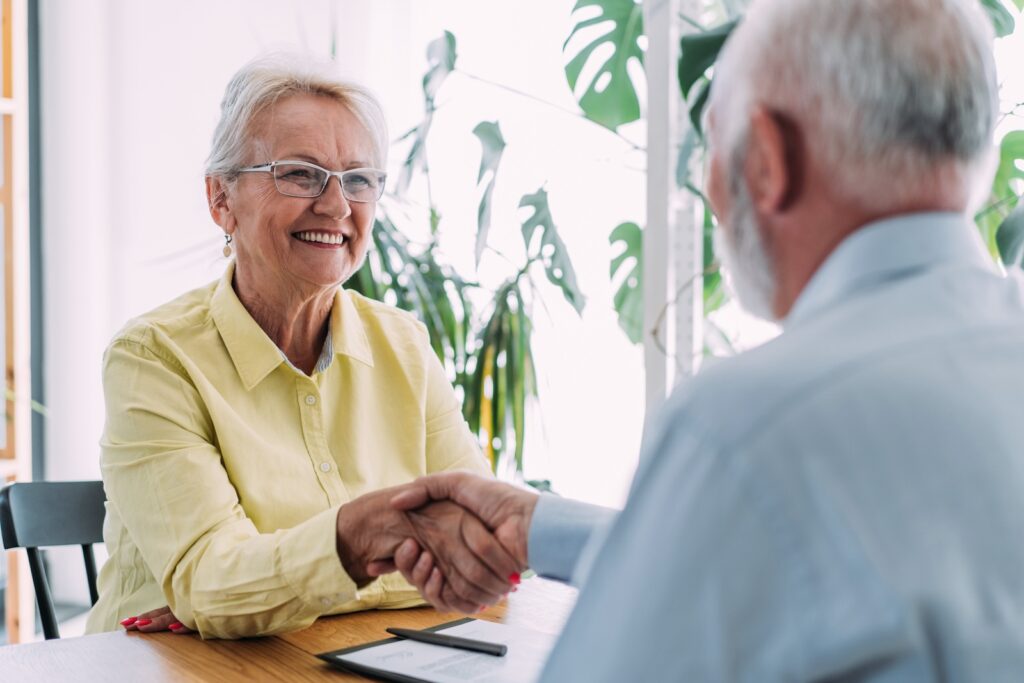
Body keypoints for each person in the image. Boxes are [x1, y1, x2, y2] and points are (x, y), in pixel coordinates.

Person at [380, 0, 1024, 679]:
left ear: (768, 160)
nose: (712, 187)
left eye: (714, 142)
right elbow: (833, 562)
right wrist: (537, 527)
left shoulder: (746, 426)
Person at [85, 56, 520, 639]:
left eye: (359, 179)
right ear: (221, 198)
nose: (337, 206)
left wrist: (257, 593)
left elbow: (484, 551)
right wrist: (355, 551)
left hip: (338, 659)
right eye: (299, 174)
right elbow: (214, 587)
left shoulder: (405, 345)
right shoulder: (153, 357)